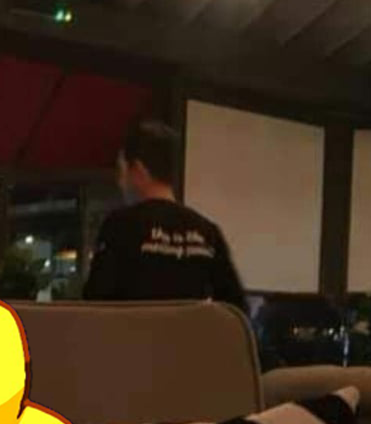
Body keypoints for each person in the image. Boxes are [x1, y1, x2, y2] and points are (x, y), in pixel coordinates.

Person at [84, 119, 248, 314]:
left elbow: (95, 305)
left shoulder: (120, 225)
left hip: (133, 333)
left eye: (122, 171)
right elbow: (236, 311)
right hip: (188, 334)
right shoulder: (208, 233)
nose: (120, 183)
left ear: (139, 170)